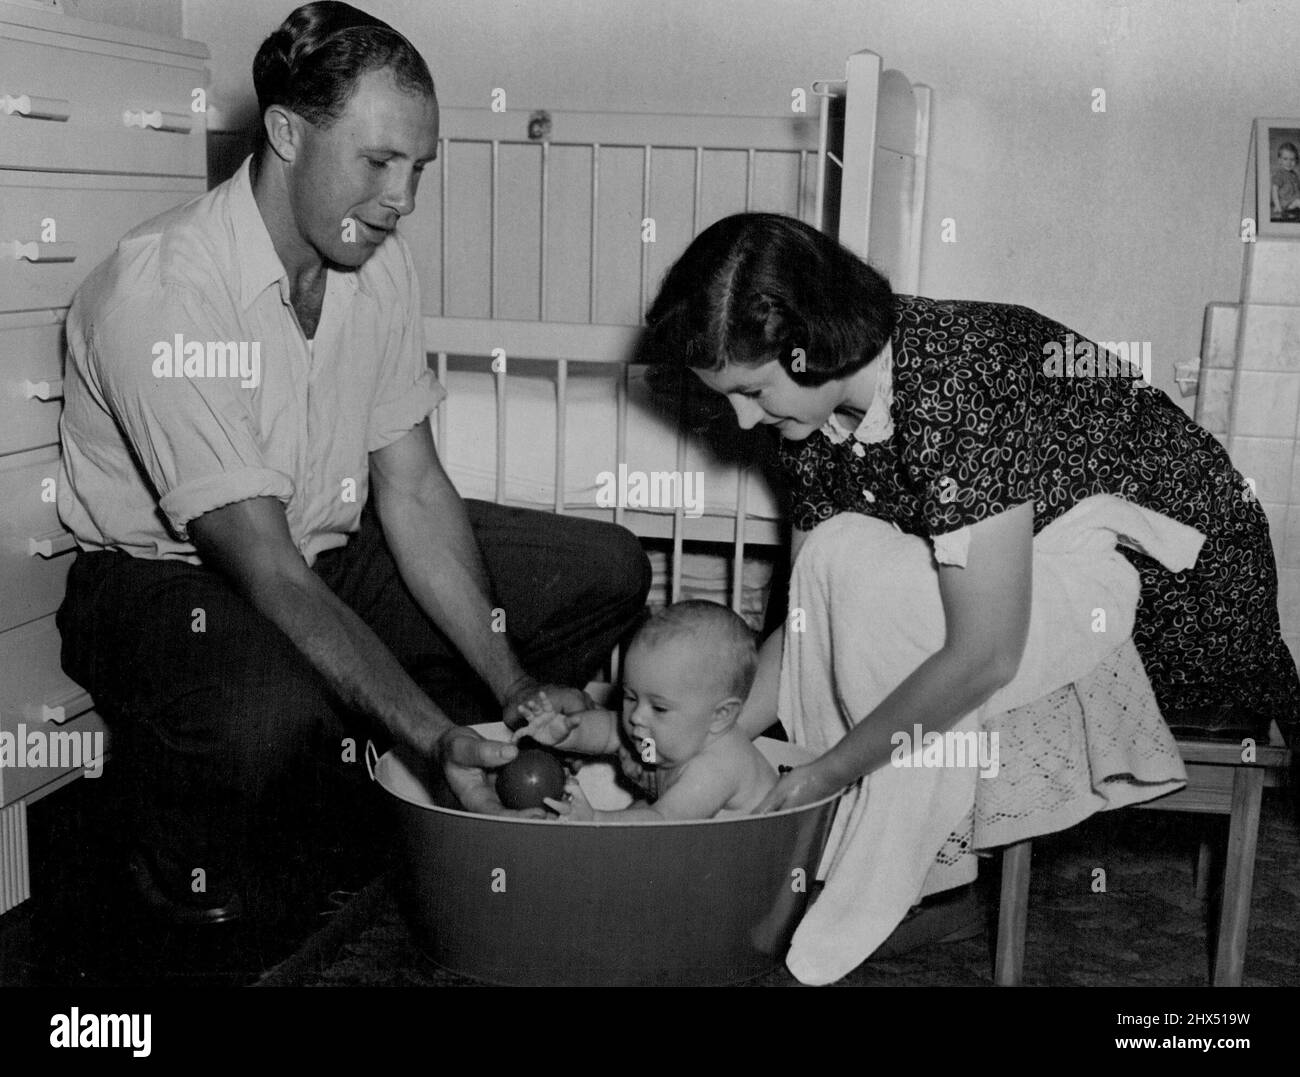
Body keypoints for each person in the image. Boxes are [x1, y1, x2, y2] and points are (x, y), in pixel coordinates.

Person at [55, 1, 650, 927]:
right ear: (288, 133)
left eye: (419, 168)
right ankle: (181, 841)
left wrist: (513, 687)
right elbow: (266, 569)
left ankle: (396, 768)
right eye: (378, 162)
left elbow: (411, 488)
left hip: (321, 552)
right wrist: (431, 732)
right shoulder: (164, 291)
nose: (402, 198)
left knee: (600, 569)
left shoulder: (374, 262)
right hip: (164, 587)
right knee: (269, 709)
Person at [638, 211, 1300, 813]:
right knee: (849, 578)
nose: (744, 418)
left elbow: (984, 654)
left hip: (1187, 605)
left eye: (752, 391)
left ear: (810, 341)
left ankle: (910, 862)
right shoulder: (809, 424)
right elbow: (812, 621)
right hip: (1055, 584)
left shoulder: (954, 378)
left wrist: (830, 771)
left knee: (896, 634)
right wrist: (699, 740)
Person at [514, 601, 777, 820]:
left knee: (639, 818)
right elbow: (607, 731)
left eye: (659, 707)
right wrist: (565, 732)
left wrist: (597, 819)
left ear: (720, 716)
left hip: (752, 853)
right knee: (636, 810)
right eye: (630, 696)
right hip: (693, 837)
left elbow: (662, 821)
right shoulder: (662, 734)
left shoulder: (715, 768)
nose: (636, 716)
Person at [1271, 141, 1300, 219]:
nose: (1289, 162)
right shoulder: (1279, 174)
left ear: (1296, 160)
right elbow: (1274, 191)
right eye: (1285, 159)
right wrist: (1277, 206)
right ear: (1280, 160)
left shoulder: (1294, 174)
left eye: (1292, 159)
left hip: (1294, 201)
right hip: (1285, 203)